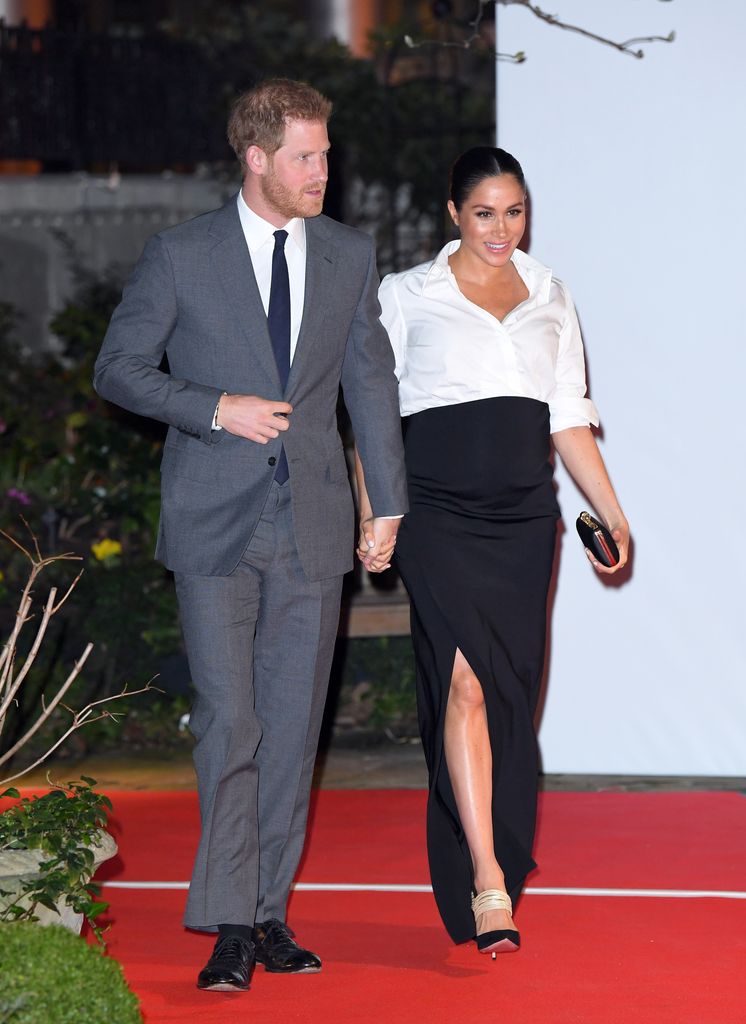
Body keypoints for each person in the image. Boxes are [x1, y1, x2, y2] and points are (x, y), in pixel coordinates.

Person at [94, 79, 406, 993]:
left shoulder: (349, 255)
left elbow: (370, 385)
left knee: (293, 731)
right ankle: (229, 920)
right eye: (306, 155)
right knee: (230, 724)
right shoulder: (181, 255)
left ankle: (268, 912)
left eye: (326, 152)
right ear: (257, 157)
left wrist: (386, 501)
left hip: (313, 523)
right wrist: (212, 408)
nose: (324, 170)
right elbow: (118, 369)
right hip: (212, 526)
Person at [358, 146, 629, 956]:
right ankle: (487, 881)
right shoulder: (406, 295)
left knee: (511, 697)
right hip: (438, 514)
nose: (501, 229)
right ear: (452, 213)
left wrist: (614, 517)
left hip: (522, 521)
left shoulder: (550, 295)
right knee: (468, 684)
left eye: (514, 212)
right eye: (484, 213)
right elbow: (373, 414)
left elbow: (569, 419)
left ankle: (489, 848)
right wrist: (378, 512)